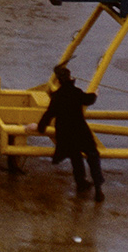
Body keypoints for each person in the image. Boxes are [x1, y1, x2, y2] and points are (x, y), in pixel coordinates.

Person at [37, 64, 103, 201]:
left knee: (75, 156)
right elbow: (88, 99)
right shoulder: (76, 92)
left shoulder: (57, 96)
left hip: (66, 135)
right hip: (80, 131)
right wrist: (95, 94)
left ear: (59, 81)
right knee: (93, 154)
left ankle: (81, 182)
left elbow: (48, 115)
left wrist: (40, 128)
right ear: (70, 78)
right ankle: (98, 188)